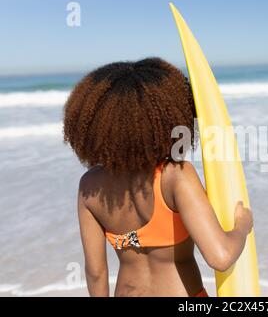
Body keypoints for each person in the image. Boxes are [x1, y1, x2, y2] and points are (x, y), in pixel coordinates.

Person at [63, 58, 253, 297]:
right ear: (166, 118)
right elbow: (221, 257)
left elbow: (95, 273)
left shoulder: (89, 185)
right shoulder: (175, 176)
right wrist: (242, 227)